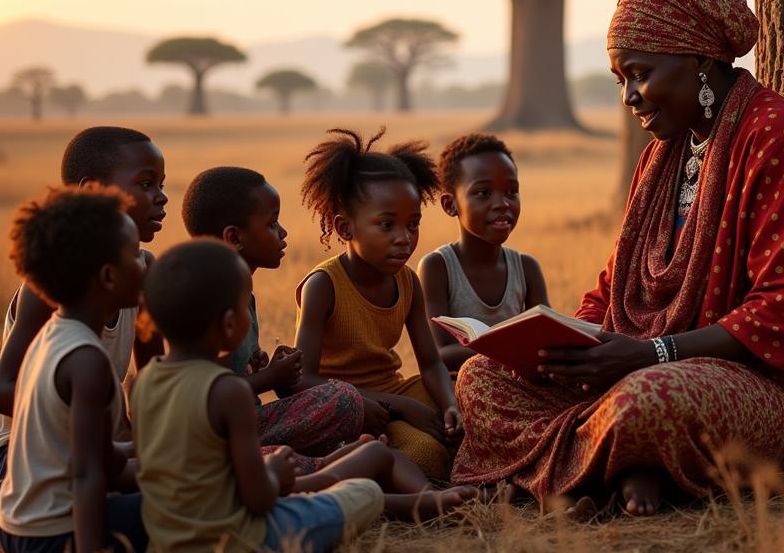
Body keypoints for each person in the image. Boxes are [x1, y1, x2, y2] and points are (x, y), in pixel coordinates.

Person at [451, 0, 784, 516]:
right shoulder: (661, 155)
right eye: (620, 79)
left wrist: (653, 354)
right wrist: (570, 348)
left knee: (646, 403)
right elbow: (614, 285)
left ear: (698, 61)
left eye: (639, 74)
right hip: (635, 363)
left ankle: (574, 474)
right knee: (481, 379)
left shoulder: (775, 136)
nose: (629, 96)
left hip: (765, 388)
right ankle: (618, 473)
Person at [132, 239, 474, 553]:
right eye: (243, 307)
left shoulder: (144, 384)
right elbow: (259, 499)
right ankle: (418, 502)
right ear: (228, 324)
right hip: (242, 545)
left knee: (369, 455)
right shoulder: (228, 393)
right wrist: (276, 474)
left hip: (164, 550)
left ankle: (414, 495)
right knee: (364, 492)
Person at [0, 126, 167, 494]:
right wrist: (98, 439)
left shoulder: (144, 271)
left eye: (161, 184)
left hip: (102, 448)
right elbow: (2, 391)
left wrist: (156, 439)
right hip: (20, 455)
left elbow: (151, 380)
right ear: (91, 192)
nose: (161, 197)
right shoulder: (52, 284)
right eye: (146, 184)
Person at [0, 186, 148, 553]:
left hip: (18, 528)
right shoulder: (87, 361)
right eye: (135, 255)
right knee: (195, 504)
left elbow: (103, 459)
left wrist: (154, 453)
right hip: (55, 536)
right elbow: (87, 473)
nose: (144, 264)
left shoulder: (53, 336)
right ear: (108, 277)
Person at [294, 128, 461, 480]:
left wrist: (449, 406)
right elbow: (302, 380)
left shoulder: (406, 280)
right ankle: (377, 460)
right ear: (345, 227)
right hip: (347, 404)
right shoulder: (324, 285)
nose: (404, 239)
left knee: (471, 401)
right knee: (427, 455)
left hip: (396, 390)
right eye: (386, 225)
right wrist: (401, 406)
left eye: (412, 224)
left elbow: (430, 363)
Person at [181, 166, 364, 470]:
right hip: (217, 437)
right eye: (272, 223)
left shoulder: (242, 292)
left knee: (343, 402)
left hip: (247, 425)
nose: (283, 233)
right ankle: (314, 467)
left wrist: (263, 367)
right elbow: (206, 395)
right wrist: (270, 378)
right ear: (234, 237)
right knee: (342, 399)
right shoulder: (212, 299)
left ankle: (311, 464)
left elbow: (234, 376)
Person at [420, 133, 549, 371]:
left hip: (520, 384)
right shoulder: (437, 267)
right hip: (460, 388)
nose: (502, 203)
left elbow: (547, 340)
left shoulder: (527, 268)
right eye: (483, 193)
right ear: (451, 205)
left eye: (511, 191)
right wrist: (509, 347)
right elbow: (439, 354)